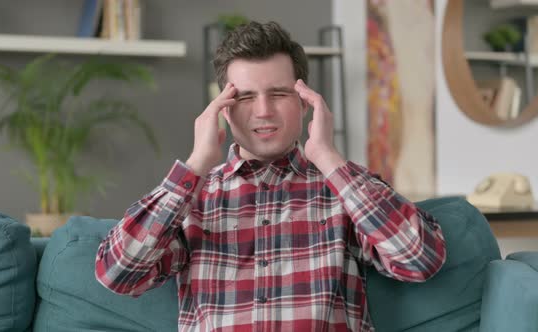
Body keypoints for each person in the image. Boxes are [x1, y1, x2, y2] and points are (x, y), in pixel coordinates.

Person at [95, 21, 446, 331]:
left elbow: (419, 259)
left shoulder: (345, 190)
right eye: (246, 97)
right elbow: (118, 274)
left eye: (279, 94)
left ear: (305, 102)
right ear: (223, 109)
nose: (263, 111)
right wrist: (196, 164)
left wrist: (327, 156)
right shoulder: (193, 199)